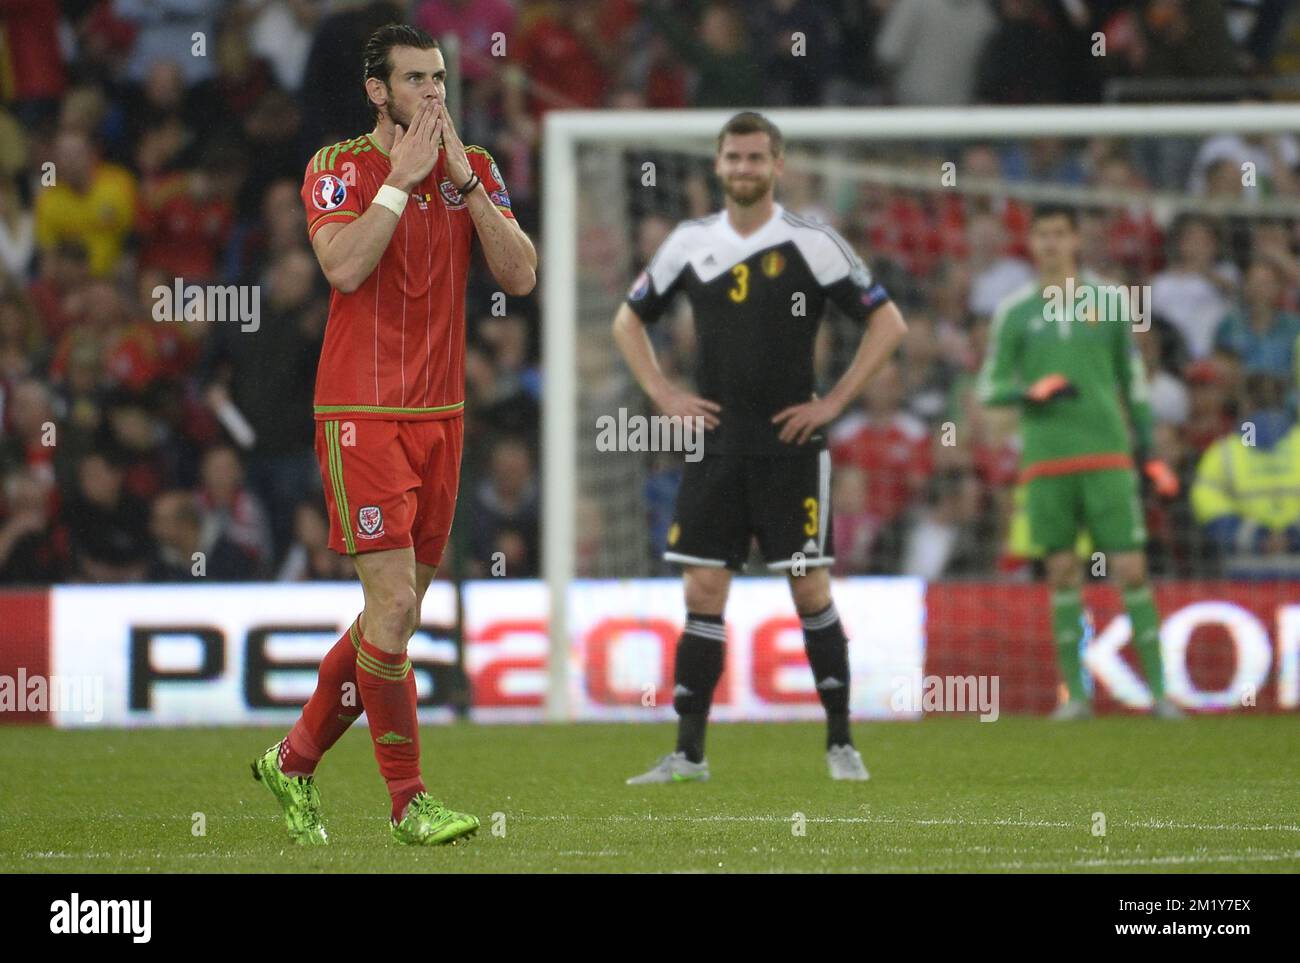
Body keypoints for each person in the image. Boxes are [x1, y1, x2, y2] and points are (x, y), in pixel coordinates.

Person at [251, 23, 536, 847]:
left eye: (440, 78)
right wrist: (400, 185)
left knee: (392, 620)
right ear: (378, 90)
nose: (434, 94)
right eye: (416, 80)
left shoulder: (472, 167)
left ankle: (294, 759)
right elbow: (341, 267)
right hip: (360, 413)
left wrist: (463, 185)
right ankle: (409, 800)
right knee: (397, 603)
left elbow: (520, 275)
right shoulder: (338, 167)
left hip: (442, 417)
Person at [612, 112, 907, 783]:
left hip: (790, 449)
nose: (743, 169)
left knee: (809, 587)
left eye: (755, 158)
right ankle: (688, 754)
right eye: (733, 158)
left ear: (778, 165)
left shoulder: (814, 242)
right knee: (704, 587)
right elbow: (629, 320)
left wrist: (833, 401)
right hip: (717, 447)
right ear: (717, 165)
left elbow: (887, 322)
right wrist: (663, 394)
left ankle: (841, 742)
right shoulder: (689, 242)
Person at [977, 204, 1183, 720]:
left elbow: (1131, 382)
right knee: (1063, 571)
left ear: (1075, 241)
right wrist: (1031, 391)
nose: (1050, 244)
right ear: (1030, 243)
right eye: (1041, 234)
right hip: (1046, 459)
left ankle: (1159, 694)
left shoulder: (1110, 301)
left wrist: (1149, 453)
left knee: (1131, 568)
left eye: (1059, 234)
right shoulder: (1015, 311)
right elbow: (991, 386)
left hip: (1107, 454)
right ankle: (1078, 696)